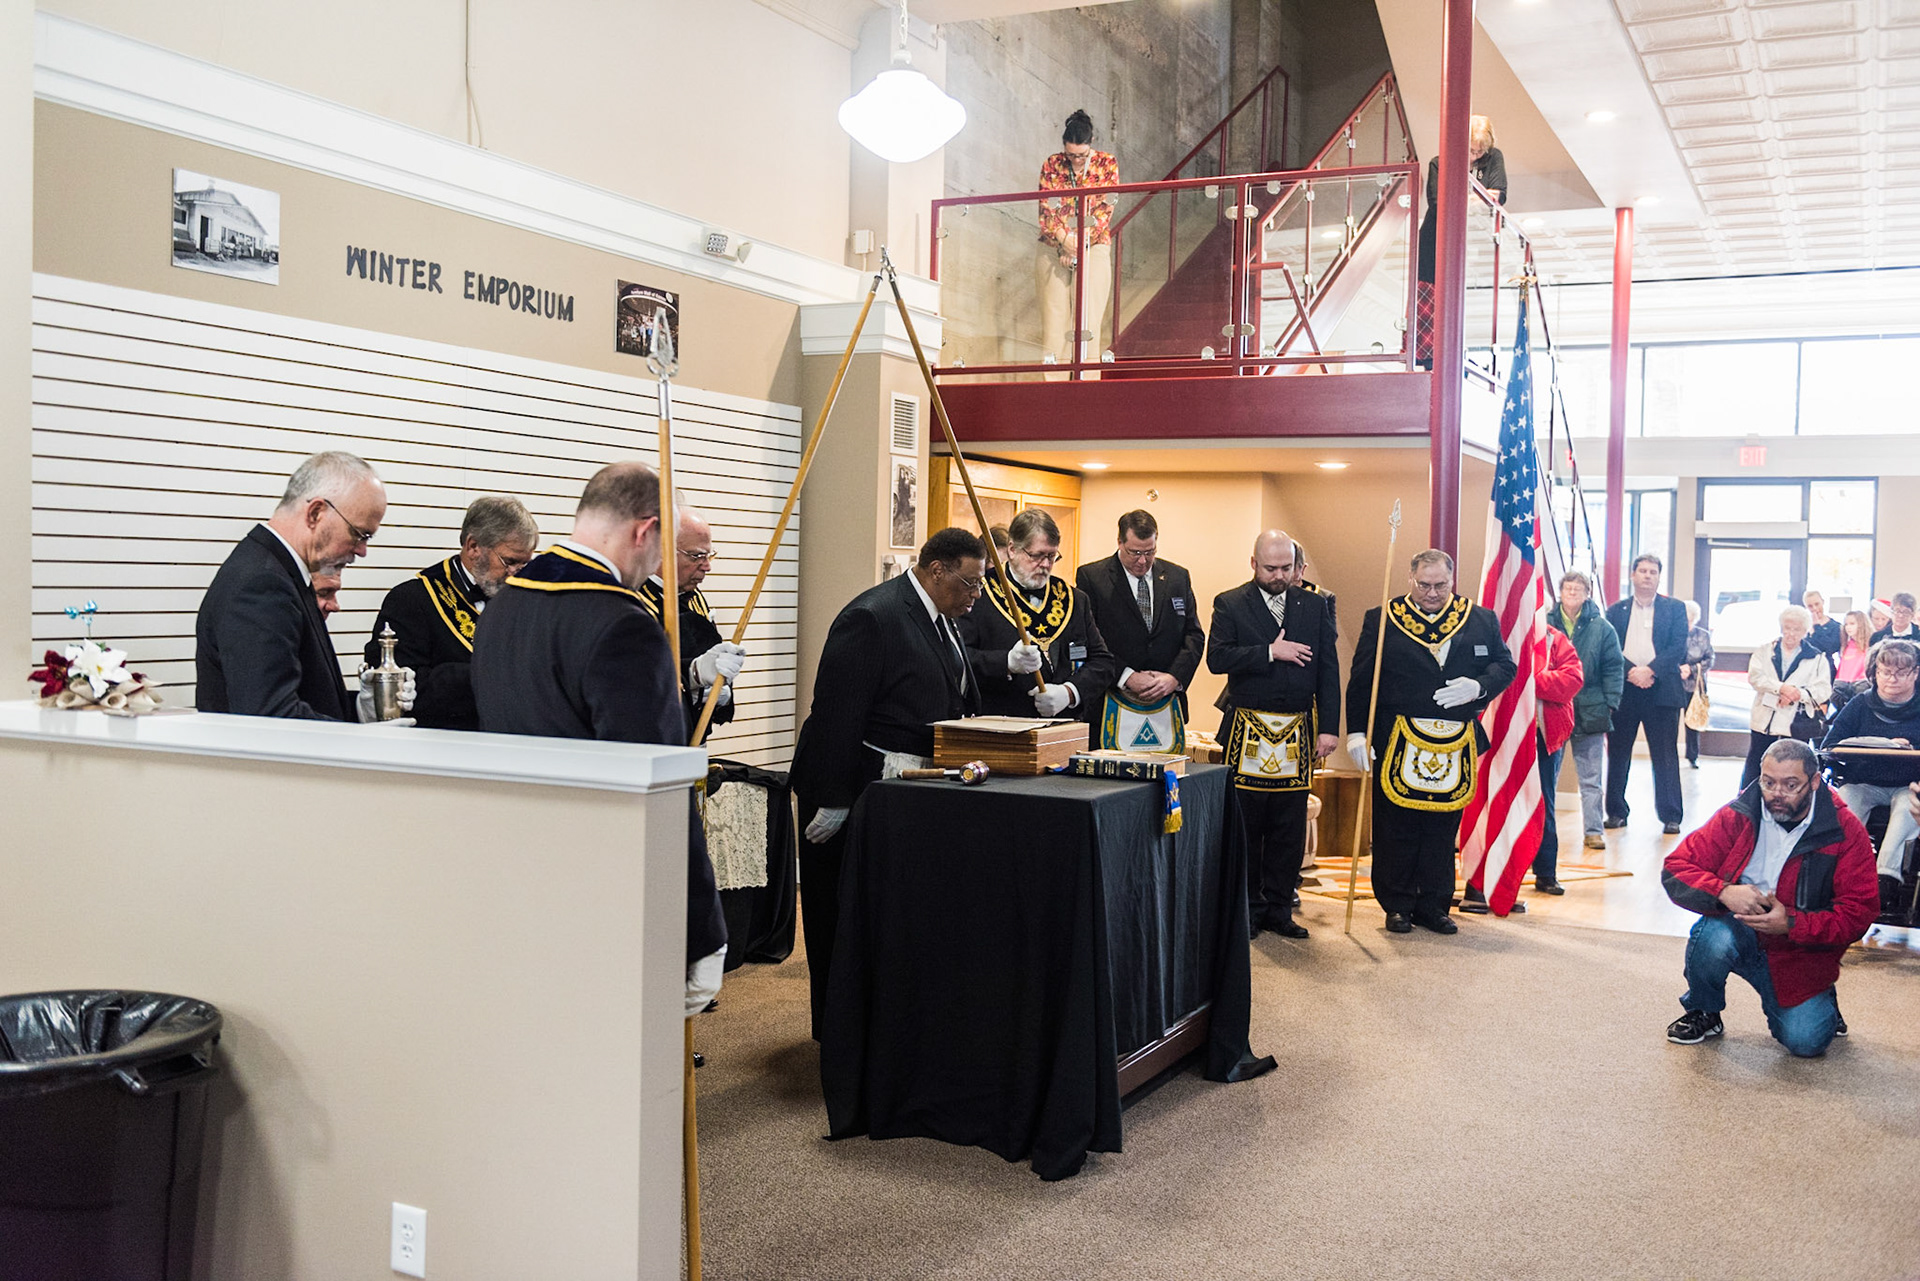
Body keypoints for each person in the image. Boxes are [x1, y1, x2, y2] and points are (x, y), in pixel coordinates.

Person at [470, 462, 725, 1017]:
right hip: (604, 890)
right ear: (643, 531)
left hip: (513, 874)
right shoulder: (624, 623)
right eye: (665, 548)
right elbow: (658, 786)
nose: (660, 566)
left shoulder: (503, 605)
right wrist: (700, 927)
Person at [789, 527, 987, 1039]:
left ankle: (882, 1029)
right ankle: (838, 1033)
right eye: (970, 584)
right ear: (936, 569)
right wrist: (833, 799)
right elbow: (836, 716)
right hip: (853, 786)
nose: (976, 596)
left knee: (889, 916)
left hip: (905, 787)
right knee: (841, 913)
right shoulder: (872, 617)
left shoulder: (942, 617)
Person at [1661, 739, 1876, 1057]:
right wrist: (1723, 892)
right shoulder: (1738, 814)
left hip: (1800, 950)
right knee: (1711, 935)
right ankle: (1703, 1010)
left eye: (1791, 785)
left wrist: (1791, 923)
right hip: (1740, 926)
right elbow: (1676, 868)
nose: (1777, 793)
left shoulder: (1845, 831)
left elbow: (1859, 912)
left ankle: (1823, 998)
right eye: (1768, 782)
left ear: (1814, 782)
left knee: (1807, 1042)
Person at [1345, 549, 1516, 934]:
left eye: (1441, 585)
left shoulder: (1480, 619)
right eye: (1425, 585)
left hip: (1454, 742)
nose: (1433, 593)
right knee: (1396, 826)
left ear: (1452, 581)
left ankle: (1435, 904)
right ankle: (1398, 903)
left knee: (1442, 828)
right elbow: (1361, 680)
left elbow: (1505, 666)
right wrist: (1356, 732)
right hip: (1397, 738)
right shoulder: (1383, 619)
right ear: (1411, 579)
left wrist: (1478, 686)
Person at [196, 451, 412, 721]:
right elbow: (272, 716)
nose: (362, 550)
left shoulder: (278, 572)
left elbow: (306, 696)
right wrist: (362, 739)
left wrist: (359, 708)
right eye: (359, 534)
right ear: (316, 513)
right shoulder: (262, 585)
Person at [1207, 531, 1341, 938]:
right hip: (1248, 727)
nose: (1279, 576)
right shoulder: (1230, 603)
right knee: (1247, 824)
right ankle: (1247, 908)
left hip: (1298, 728)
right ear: (1253, 564)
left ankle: (1280, 910)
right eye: (1271, 568)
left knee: (1288, 826)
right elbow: (1217, 658)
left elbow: (1328, 670)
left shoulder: (1314, 605)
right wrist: (1269, 651)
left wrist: (1330, 728)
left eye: (1286, 568)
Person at [365, 495, 538, 730]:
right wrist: (489, 673)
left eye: (524, 564)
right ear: (473, 546)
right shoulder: (411, 600)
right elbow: (403, 694)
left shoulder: (521, 600)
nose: (517, 573)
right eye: (510, 561)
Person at [959, 508, 1115, 724]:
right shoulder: (978, 594)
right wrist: (1006, 662)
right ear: (1012, 549)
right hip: (1000, 728)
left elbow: (1103, 663)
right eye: (1037, 555)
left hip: (1062, 730)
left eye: (1052, 556)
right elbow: (957, 659)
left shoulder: (1074, 599)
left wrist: (1069, 693)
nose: (1045, 565)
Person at [1076, 509, 1205, 748]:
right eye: (1135, 552)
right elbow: (1086, 640)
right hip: (1110, 703)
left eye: (1150, 552)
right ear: (1119, 542)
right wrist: (1127, 676)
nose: (1143, 561)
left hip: (1165, 703)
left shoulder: (1177, 577)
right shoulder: (1093, 577)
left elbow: (1194, 635)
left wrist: (1174, 677)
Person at [1819, 638, 1920, 902]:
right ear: (1875, 672)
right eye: (1885, 671)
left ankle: (1885, 878)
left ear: (1916, 674)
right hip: (1862, 781)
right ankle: (1839, 874)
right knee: (1846, 806)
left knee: (1908, 808)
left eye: (1901, 672)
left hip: (1908, 783)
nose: (1892, 678)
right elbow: (1829, 746)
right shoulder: (1860, 704)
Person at [637, 507, 748, 745]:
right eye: (696, 556)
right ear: (662, 550)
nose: (707, 566)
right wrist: (693, 676)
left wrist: (722, 691)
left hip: (695, 737)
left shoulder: (695, 597)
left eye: (710, 555)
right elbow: (640, 681)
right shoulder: (634, 601)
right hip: (653, 743)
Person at [1604, 554, 1690, 835]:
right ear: (1633, 575)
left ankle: (1671, 816)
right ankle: (1616, 812)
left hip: (1662, 691)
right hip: (1625, 691)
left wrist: (1650, 671)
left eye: (1653, 572)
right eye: (1642, 571)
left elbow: (1678, 646)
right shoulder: (1616, 610)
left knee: (1665, 756)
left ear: (1658, 577)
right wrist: (1632, 671)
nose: (1647, 576)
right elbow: (1611, 646)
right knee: (1618, 753)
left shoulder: (1675, 609)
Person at [1415, 114, 1505, 369]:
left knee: (1461, 296)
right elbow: (1438, 204)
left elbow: (1499, 196)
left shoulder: (1493, 158)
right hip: (1434, 240)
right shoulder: (1438, 163)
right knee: (1429, 296)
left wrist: (1462, 198)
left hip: (1473, 240)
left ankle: (1455, 353)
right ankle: (1429, 357)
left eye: (1480, 151)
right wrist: (1478, 196)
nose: (1475, 156)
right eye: (1470, 150)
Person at [1035, 108, 1117, 378]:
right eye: (1071, 155)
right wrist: (1063, 241)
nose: (1076, 161)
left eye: (1081, 156)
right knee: (1054, 321)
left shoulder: (1107, 163)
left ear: (1091, 145)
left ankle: (1086, 386)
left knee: (1088, 320)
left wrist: (1077, 244)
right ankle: (1053, 387)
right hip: (1054, 245)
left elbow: (1105, 210)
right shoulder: (1052, 164)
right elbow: (1046, 208)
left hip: (1092, 244)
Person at [1551, 570, 1623, 852]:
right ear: (1560, 592)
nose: (1572, 594)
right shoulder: (1545, 623)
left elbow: (1614, 667)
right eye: (1568, 589)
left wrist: (1610, 702)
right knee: (1548, 777)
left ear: (1587, 594)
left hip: (1591, 707)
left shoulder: (1602, 628)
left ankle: (1593, 831)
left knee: (1591, 779)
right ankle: (1545, 832)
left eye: (1578, 590)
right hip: (1554, 707)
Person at [1742, 605, 1832, 790]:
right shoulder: (1764, 651)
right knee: (1756, 765)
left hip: (1797, 724)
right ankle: (1746, 806)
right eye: (1787, 628)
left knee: (1794, 769)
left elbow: (1823, 689)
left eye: (1797, 629)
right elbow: (1756, 677)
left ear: (1805, 631)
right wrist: (1781, 688)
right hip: (1764, 720)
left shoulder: (1817, 658)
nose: (1791, 633)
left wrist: (1798, 694)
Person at [1528, 621, 1586, 895]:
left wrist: (1528, 680)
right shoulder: (1500, 633)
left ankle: (1545, 872)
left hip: (1544, 735)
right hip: (1503, 734)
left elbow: (1570, 682)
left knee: (1544, 803)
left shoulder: (1555, 638)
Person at [1681, 599, 1715, 768]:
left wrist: (1692, 669)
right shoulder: (1673, 633)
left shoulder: (1703, 635)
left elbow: (1710, 659)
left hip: (1694, 685)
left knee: (1693, 720)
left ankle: (1692, 755)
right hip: (1674, 683)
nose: (1687, 622)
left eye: (1690, 619)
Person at [1829, 608, 1873, 714]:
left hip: (1861, 683)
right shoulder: (1846, 645)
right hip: (1842, 684)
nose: (1848, 627)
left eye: (1852, 623)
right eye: (1846, 624)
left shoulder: (1870, 644)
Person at [1803, 590, 1842, 658]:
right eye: (1810, 606)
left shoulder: (1836, 626)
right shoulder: (1802, 627)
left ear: (1823, 602)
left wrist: (1817, 628)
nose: (1814, 608)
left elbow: (1830, 648)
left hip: (1826, 666)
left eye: (1817, 604)